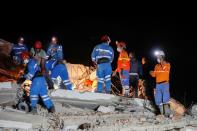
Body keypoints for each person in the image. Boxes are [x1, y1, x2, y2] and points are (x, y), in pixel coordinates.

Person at [150, 50, 172, 117]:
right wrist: (151, 73)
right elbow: (155, 75)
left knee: (165, 99)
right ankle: (162, 114)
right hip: (158, 84)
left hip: (165, 84)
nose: (157, 58)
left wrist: (162, 61)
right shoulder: (156, 66)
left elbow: (165, 69)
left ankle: (167, 114)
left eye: (158, 56)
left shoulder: (167, 64)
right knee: (158, 99)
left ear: (162, 57)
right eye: (157, 57)